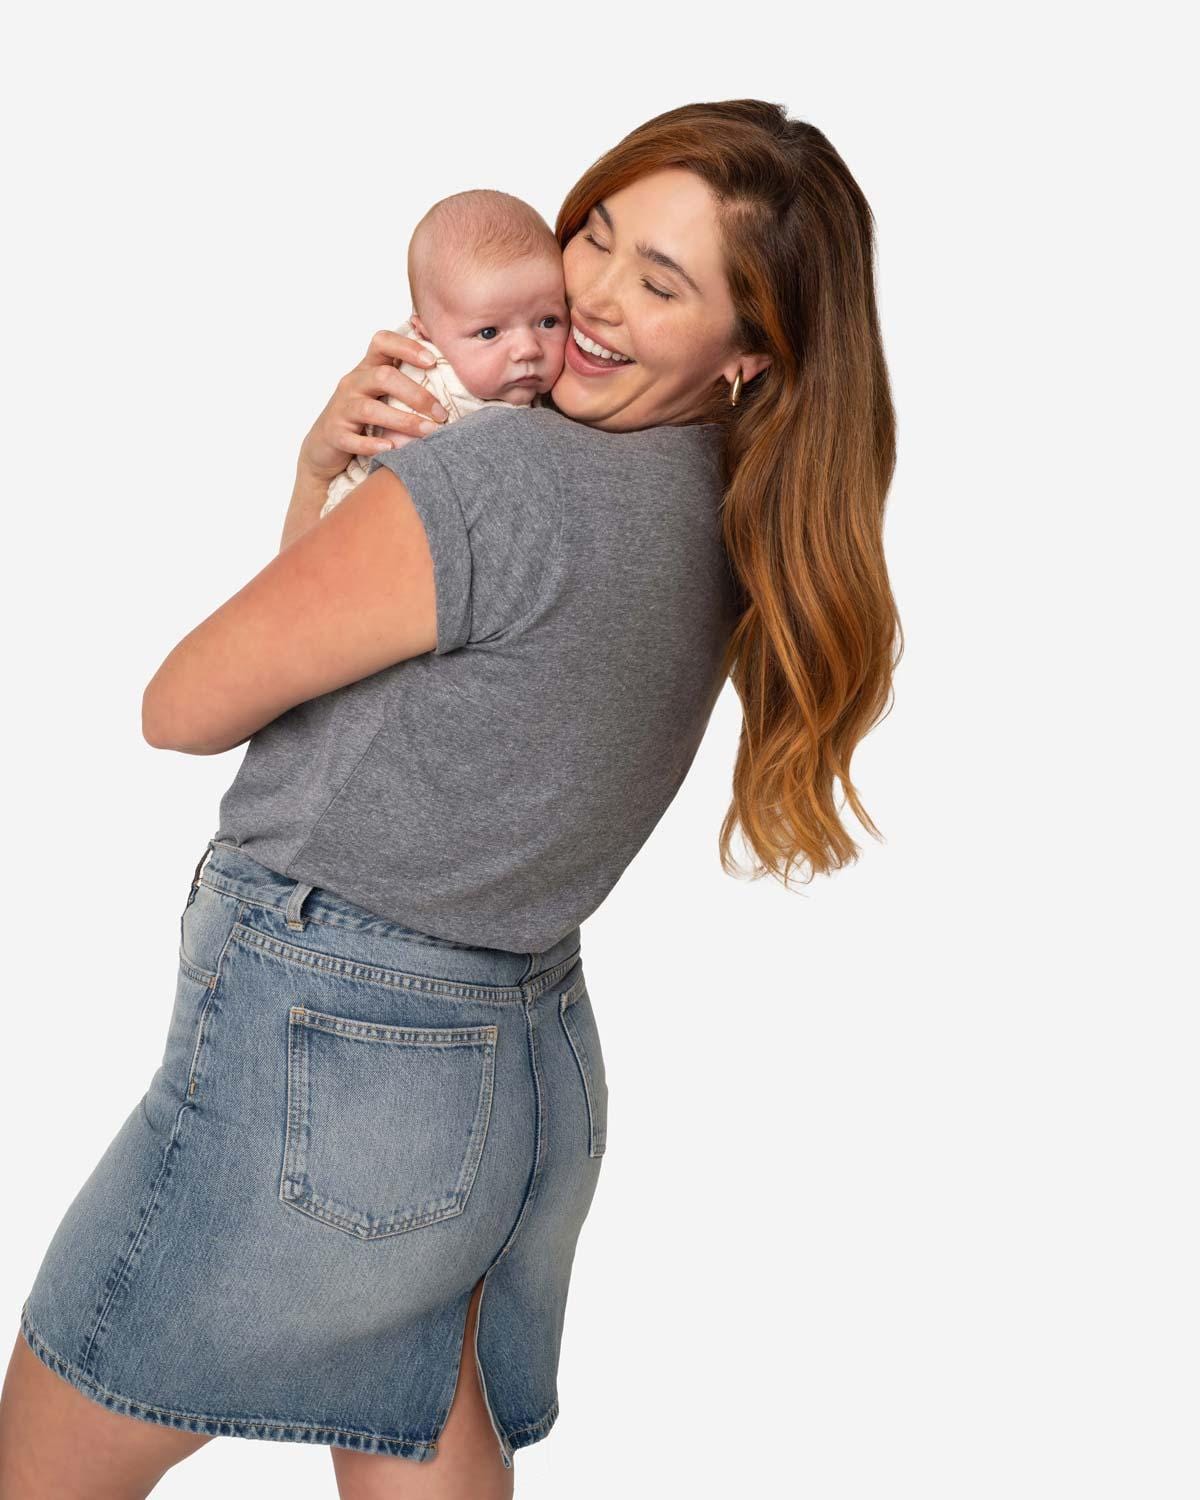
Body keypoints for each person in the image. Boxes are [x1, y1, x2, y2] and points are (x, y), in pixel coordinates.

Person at [0, 99, 901, 1499]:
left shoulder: (491, 479)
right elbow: (391, 699)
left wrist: (346, 479)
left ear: (749, 349)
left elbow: (183, 706)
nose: (588, 297)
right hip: (516, 1057)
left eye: (659, 283)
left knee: (56, 1445)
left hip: (329, 1044)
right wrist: (340, 483)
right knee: (414, 1426)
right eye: (594, 234)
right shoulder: (728, 506)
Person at [322, 187, 568, 516]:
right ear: (426, 332)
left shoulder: (529, 385)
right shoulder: (423, 390)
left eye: (548, 321)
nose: (528, 349)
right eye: (489, 332)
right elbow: (406, 497)